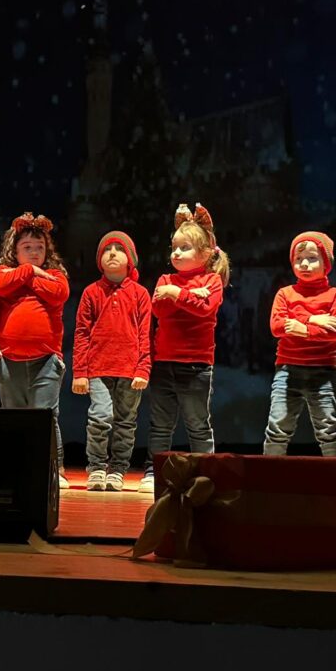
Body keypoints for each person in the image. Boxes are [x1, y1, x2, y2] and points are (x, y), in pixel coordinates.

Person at [142, 203, 229, 493]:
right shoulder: (164, 279)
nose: (176, 253)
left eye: (185, 247)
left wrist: (179, 293)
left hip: (196, 366)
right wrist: (188, 295)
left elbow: (205, 309)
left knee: (198, 425)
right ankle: (155, 472)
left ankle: (206, 472)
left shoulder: (212, 280)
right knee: (161, 425)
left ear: (205, 254)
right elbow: (160, 310)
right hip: (165, 363)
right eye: (174, 247)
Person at [0, 212, 70, 488]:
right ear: (14, 250)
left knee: (46, 417)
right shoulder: (3, 272)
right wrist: (30, 272)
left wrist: (28, 276)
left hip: (46, 360)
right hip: (9, 359)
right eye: (27, 248)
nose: (35, 253)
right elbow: (0, 287)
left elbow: (59, 293)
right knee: (13, 416)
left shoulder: (56, 275)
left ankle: (54, 469)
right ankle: (16, 466)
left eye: (39, 248)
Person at [73, 231, 151, 492]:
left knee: (126, 421)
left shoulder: (140, 294)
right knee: (100, 416)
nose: (113, 253)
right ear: (99, 259)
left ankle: (118, 469)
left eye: (120, 249)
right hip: (97, 368)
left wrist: (143, 368)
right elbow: (82, 333)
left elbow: (144, 334)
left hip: (130, 370)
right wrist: (79, 372)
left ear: (130, 259)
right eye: (107, 249)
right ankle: (96, 467)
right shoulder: (90, 292)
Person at [263, 232, 336, 456]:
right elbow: (277, 326)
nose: (304, 264)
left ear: (326, 263)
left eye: (312, 258)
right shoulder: (285, 293)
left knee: (330, 430)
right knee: (277, 429)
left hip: (323, 372)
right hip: (287, 370)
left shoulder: (335, 295)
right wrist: (312, 320)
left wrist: (303, 330)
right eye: (298, 259)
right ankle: (267, 481)